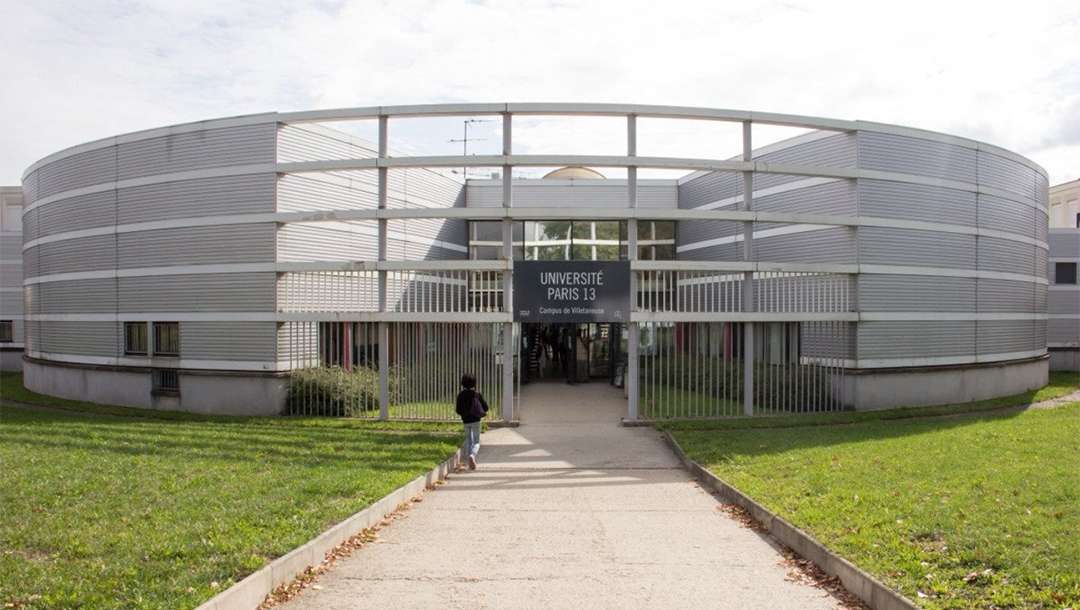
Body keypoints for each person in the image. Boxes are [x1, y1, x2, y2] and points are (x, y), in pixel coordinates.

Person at [455, 372, 488, 470]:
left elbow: (458, 410)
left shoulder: (460, 395)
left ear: (462, 383)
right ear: (474, 383)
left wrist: (464, 414)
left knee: (469, 439)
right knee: (477, 441)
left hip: (466, 421)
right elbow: (486, 407)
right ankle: (472, 455)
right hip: (476, 420)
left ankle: (469, 458)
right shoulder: (476, 395)